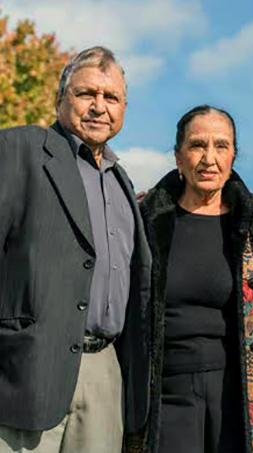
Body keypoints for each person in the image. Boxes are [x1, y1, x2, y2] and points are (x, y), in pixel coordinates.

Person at [0, 46, 151, 452]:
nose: (99, 107)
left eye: (111, 97)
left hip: (105, 372)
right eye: (87, 94)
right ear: (60, 98)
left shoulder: (122, 182)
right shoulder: (20, 149)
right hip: (26, 371)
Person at [134, 105, 253, 453]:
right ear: (178, 156)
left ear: (234, 155)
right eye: (196, 145)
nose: (209, 158)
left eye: (221, 146)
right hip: (163, 394)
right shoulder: (144, 221)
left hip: (239, 394)